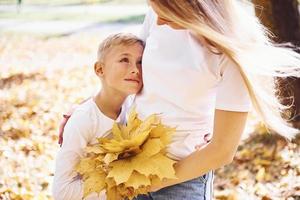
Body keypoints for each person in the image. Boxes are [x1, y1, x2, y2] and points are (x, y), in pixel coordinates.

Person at [59, 0, 300, 199]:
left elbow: (222, 150)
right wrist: (88, 107)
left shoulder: (231, 51)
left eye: (167, 13)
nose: (159, 20)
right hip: (130, 162)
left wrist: (154, 183)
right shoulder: (157, 13)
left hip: (183, 179)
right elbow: (128, 74)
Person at [52, 33, 144, 200]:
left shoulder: (133, 108)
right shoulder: (84, 120)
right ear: (100, 69)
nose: (135, 69)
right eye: (124, 60)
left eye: (140, 62)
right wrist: (121, 187)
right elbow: (62, 191)